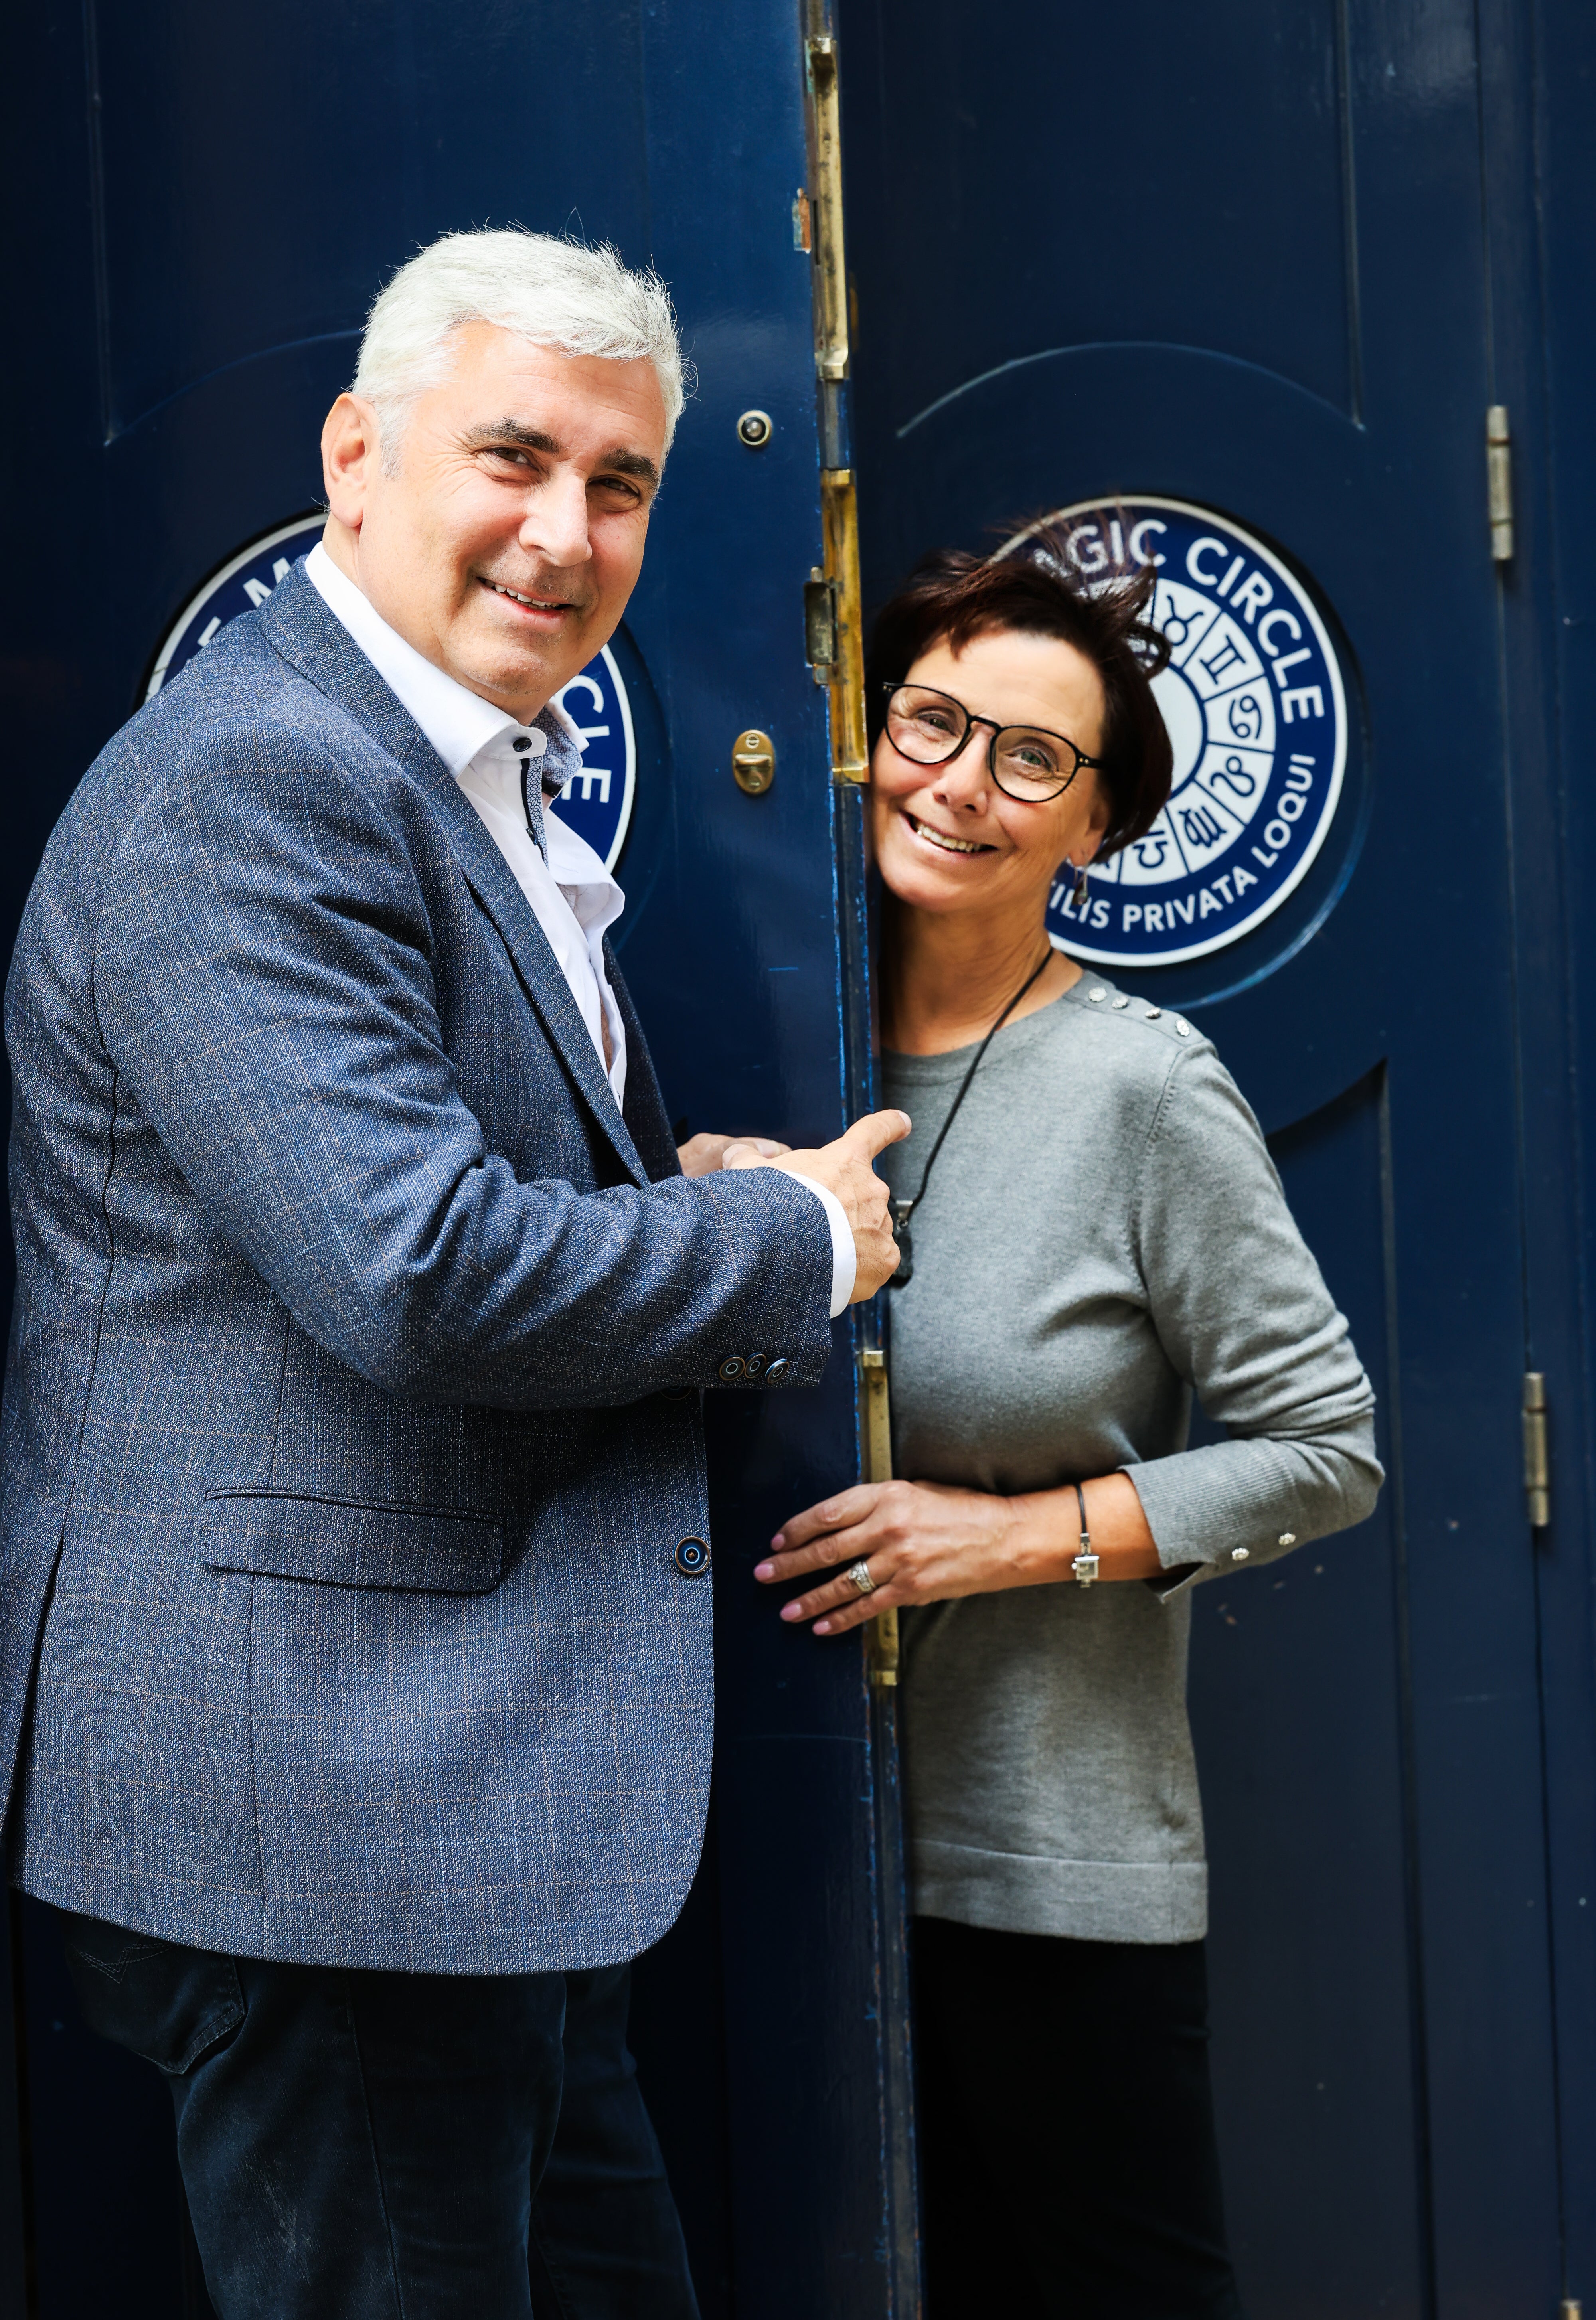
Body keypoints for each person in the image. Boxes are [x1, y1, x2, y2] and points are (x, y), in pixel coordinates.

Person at [0, 227, 907, 2320]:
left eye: (621, 483)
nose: (566, 533)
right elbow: (411, 1269)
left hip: (454, 1818)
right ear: (356, 453)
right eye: (514, 456)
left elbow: (403, 1179)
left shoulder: (442, 758)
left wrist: (666, 1183)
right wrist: (786, 1237)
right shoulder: (261, 775)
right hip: (334, 1815)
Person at [755, 523, 1383, 2317]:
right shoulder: (751, 1044)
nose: (962, 783)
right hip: (761, 1850)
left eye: (1033, 758)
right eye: (934, 723)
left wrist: (1004, 1536)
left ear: (1096, 826)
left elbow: (1328, 1450)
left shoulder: (1138, 1085)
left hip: (1040, 1873)